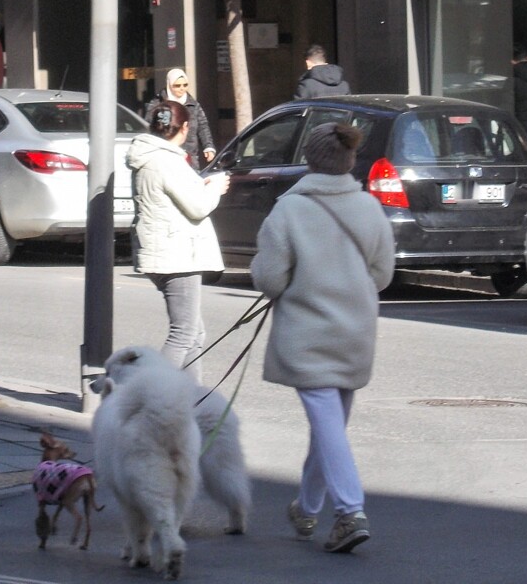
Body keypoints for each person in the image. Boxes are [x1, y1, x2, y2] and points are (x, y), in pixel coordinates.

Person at [250, 122, 393, 554]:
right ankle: (307, 508)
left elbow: (270, 279)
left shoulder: (289, 211)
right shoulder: (369, 207)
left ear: (309, 159)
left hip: (306, 335)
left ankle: (350, 511)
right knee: (329, 426)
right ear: (350, 159)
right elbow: (382, 275)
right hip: (355, 332)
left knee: (327, 425)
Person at [126, 100, 229, 382]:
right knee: (184, 333)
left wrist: (201, 185)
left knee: (193, 334)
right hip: (176, 254)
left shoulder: (152, 156)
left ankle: (188, 398)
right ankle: (153, 393)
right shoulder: (166, 160)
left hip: (165, 251)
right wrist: (215, 188)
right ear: (184, 127)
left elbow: (176, 196)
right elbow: (198, 207)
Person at [144, 68, 216, 168]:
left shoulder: (193, 104)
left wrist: (208, 147)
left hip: (190, 158)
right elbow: (149, 126)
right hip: (166, 156)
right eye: (177, 85)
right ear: (169, 85)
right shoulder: (157, 104)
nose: (182, 88)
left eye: (185, 85)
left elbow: (203, 126)